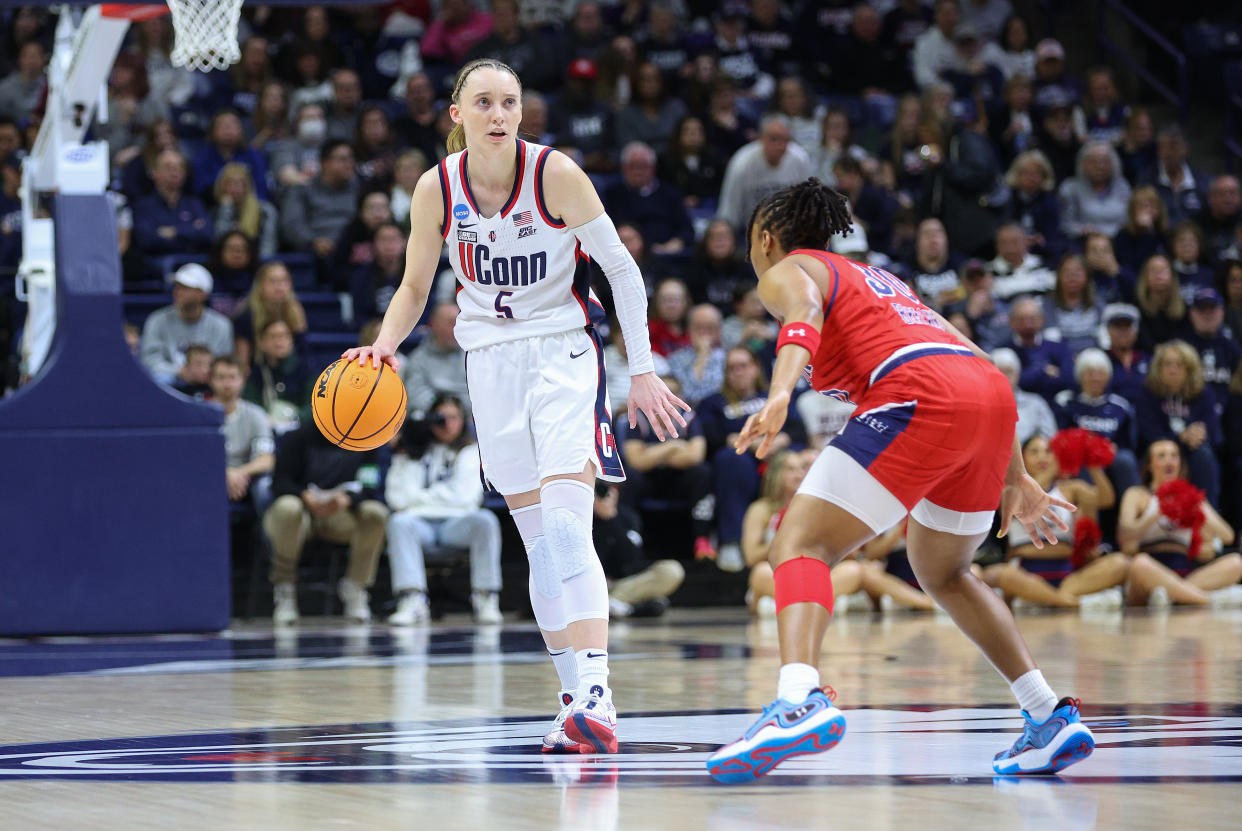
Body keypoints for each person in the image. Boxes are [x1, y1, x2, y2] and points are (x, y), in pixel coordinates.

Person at [342, 59, 687, 756]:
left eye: (510, 102)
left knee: (565, 528)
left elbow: (621, 268)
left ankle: (598, 693)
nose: (499, 114)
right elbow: (413, 287)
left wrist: (642, 370)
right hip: (489, 365)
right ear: (456, 114)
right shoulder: (435, 189)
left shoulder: (554, 174)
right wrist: (382, 346)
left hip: (562, 354)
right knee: (536, 543)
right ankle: (572, 700)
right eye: (485, 102)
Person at [706, 178, 1092, 783]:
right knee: (945, 571)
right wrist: (1015, 475)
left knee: (800, 544)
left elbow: (802, 313)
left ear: (764, 237)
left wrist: (779, 392)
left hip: (919, 393)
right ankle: (1046, 716)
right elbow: (982, 367)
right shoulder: (883, 282)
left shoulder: (787, 267)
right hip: (987, 400)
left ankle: (797, 701)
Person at [743, 451, 933, 618]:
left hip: (819, 572)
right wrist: (790, 535)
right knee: (761, 572)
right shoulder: (762, 509)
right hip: (778, 573)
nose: (799, 474)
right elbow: (751, 556)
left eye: (802, 469)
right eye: (791, 469)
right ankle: (820, 602)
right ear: (776, 474)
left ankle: (788, 604)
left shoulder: (823, 506)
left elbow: (852, 553)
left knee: (853, 570)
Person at [384, 394, 503, 626]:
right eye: (441, 418)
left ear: (463, 420)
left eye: (453, 418)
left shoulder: (471, 451)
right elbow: (396, 498)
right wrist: (440, 496)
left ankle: (486, 596)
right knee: (398, 522)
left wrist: (419, 498)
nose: (447, 424)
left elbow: (465, 497)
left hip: (456, 525)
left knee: (485, 520)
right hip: (420, 526)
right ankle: (412, 599)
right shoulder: (411, 450)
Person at [263, 420, 389, 625]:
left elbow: (370, 486)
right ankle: (284, 588)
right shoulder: (300, 435)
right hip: (302, 515)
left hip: (340, 514)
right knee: (288, 507)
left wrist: (347, 499)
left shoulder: (367, 438)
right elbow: (280, 482)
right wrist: (304, 495)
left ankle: (356, 587)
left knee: (376, 512)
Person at [981, 435, 1126, 609]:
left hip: (1067, 572)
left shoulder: (1071, 488)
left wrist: (1093, 466)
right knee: (1000, 574)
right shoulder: (1010, 488)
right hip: (1024, 570)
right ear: (1021, 458)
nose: (1042, 457)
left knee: (1121, 563)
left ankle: (1045, 599)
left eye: (1048, 451)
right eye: (1034, 452)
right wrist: (1055, 467)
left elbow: (1106, 499)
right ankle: (1070, 602)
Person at [1117, 440, 1240, 606]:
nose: (1169, 461)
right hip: (1150, 569)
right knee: (1140, 564)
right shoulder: (1137, 494)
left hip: (1187, 572)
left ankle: (1171, 595)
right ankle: (1207, 600)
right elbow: (1125, 536)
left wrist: (1198, 506)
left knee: (1236, 563)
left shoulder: (1193, 496)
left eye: (1174, 456)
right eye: (1162, 456)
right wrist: (1158, 512)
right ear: (1149, 465)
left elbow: (1228, 536)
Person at [1135, 340, 1222, 508]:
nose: (1173, 369)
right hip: (1158, 449)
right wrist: (1180, 438)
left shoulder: (1204, 394)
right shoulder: (1147, 392)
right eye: (1167, 364)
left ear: (1189, 369)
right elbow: (1148, 433)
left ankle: (1207, 516)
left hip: (1193, 451)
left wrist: (1200, 435)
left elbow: (1216, 435)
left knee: (1204, 455)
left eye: (1179, 364)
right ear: (1158, 368)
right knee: (1164, 454)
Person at [592, 482, 686, 619]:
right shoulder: (581, 516)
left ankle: (615, 603)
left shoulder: (627, 516)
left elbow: (631, 559)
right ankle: (628, 608)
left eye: (612, 488)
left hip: (624, 584)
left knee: (671, 570)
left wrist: (611, 519)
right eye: (600, 489)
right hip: (594, 582)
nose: (607, 494)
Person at [140, 264, 234, 386]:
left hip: (209, 384)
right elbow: (149, 361)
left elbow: (223, 363)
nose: (177, 292)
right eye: (177, 287)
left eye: (185, 288)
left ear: (202, 294)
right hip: (168, 385)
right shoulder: (157, 320)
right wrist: (181, 372)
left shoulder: (221, 325)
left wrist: (205, 372)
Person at [210, 355, 275, 512]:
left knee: (264, 488)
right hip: (210, 475)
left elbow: (266, 459)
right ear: (211, 380)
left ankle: (265, 537)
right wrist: (224, 473)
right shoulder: (199, 414)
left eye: (232, 377)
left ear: (242, 379)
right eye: (221, 377)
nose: (227, 384)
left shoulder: (255, 414)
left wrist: (237, 473)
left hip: (248, 477)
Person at [232, 261, 307, 369]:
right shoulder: (246, 316)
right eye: (273, 281)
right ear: (260, 285)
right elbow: (243, 364)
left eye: (283, 281)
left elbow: (303, 355)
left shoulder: (295, 311)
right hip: (257, 375)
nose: (279, 286)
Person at [400, 301, 469, 414]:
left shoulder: (471, 356)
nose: (457, 328)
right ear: (434, 324)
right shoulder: (418, 359)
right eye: (451, 322)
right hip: (433, 419)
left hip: (467, 419)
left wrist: (457, 409)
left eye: (459, 322)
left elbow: (481, 393)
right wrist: (444, 408)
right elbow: (416, 396)